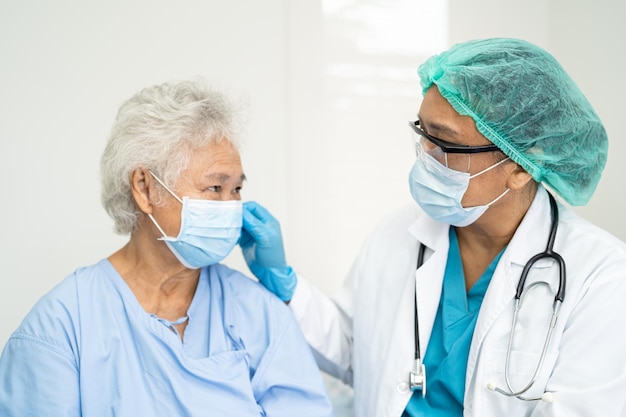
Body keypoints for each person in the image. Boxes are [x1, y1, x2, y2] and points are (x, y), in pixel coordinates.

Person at [240, 38, 626, 416]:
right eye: (422, 132)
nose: (425, 155)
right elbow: (355, 349)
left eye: (443, 143)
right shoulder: (399, 232)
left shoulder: (601, 277)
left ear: (520, 167)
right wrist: (284, 283)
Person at [0, 79, 334, 417]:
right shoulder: (61, 326)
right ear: (145, 188)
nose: (230, 206)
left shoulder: (260, 315)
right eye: (215, 187)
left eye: (235, 190)